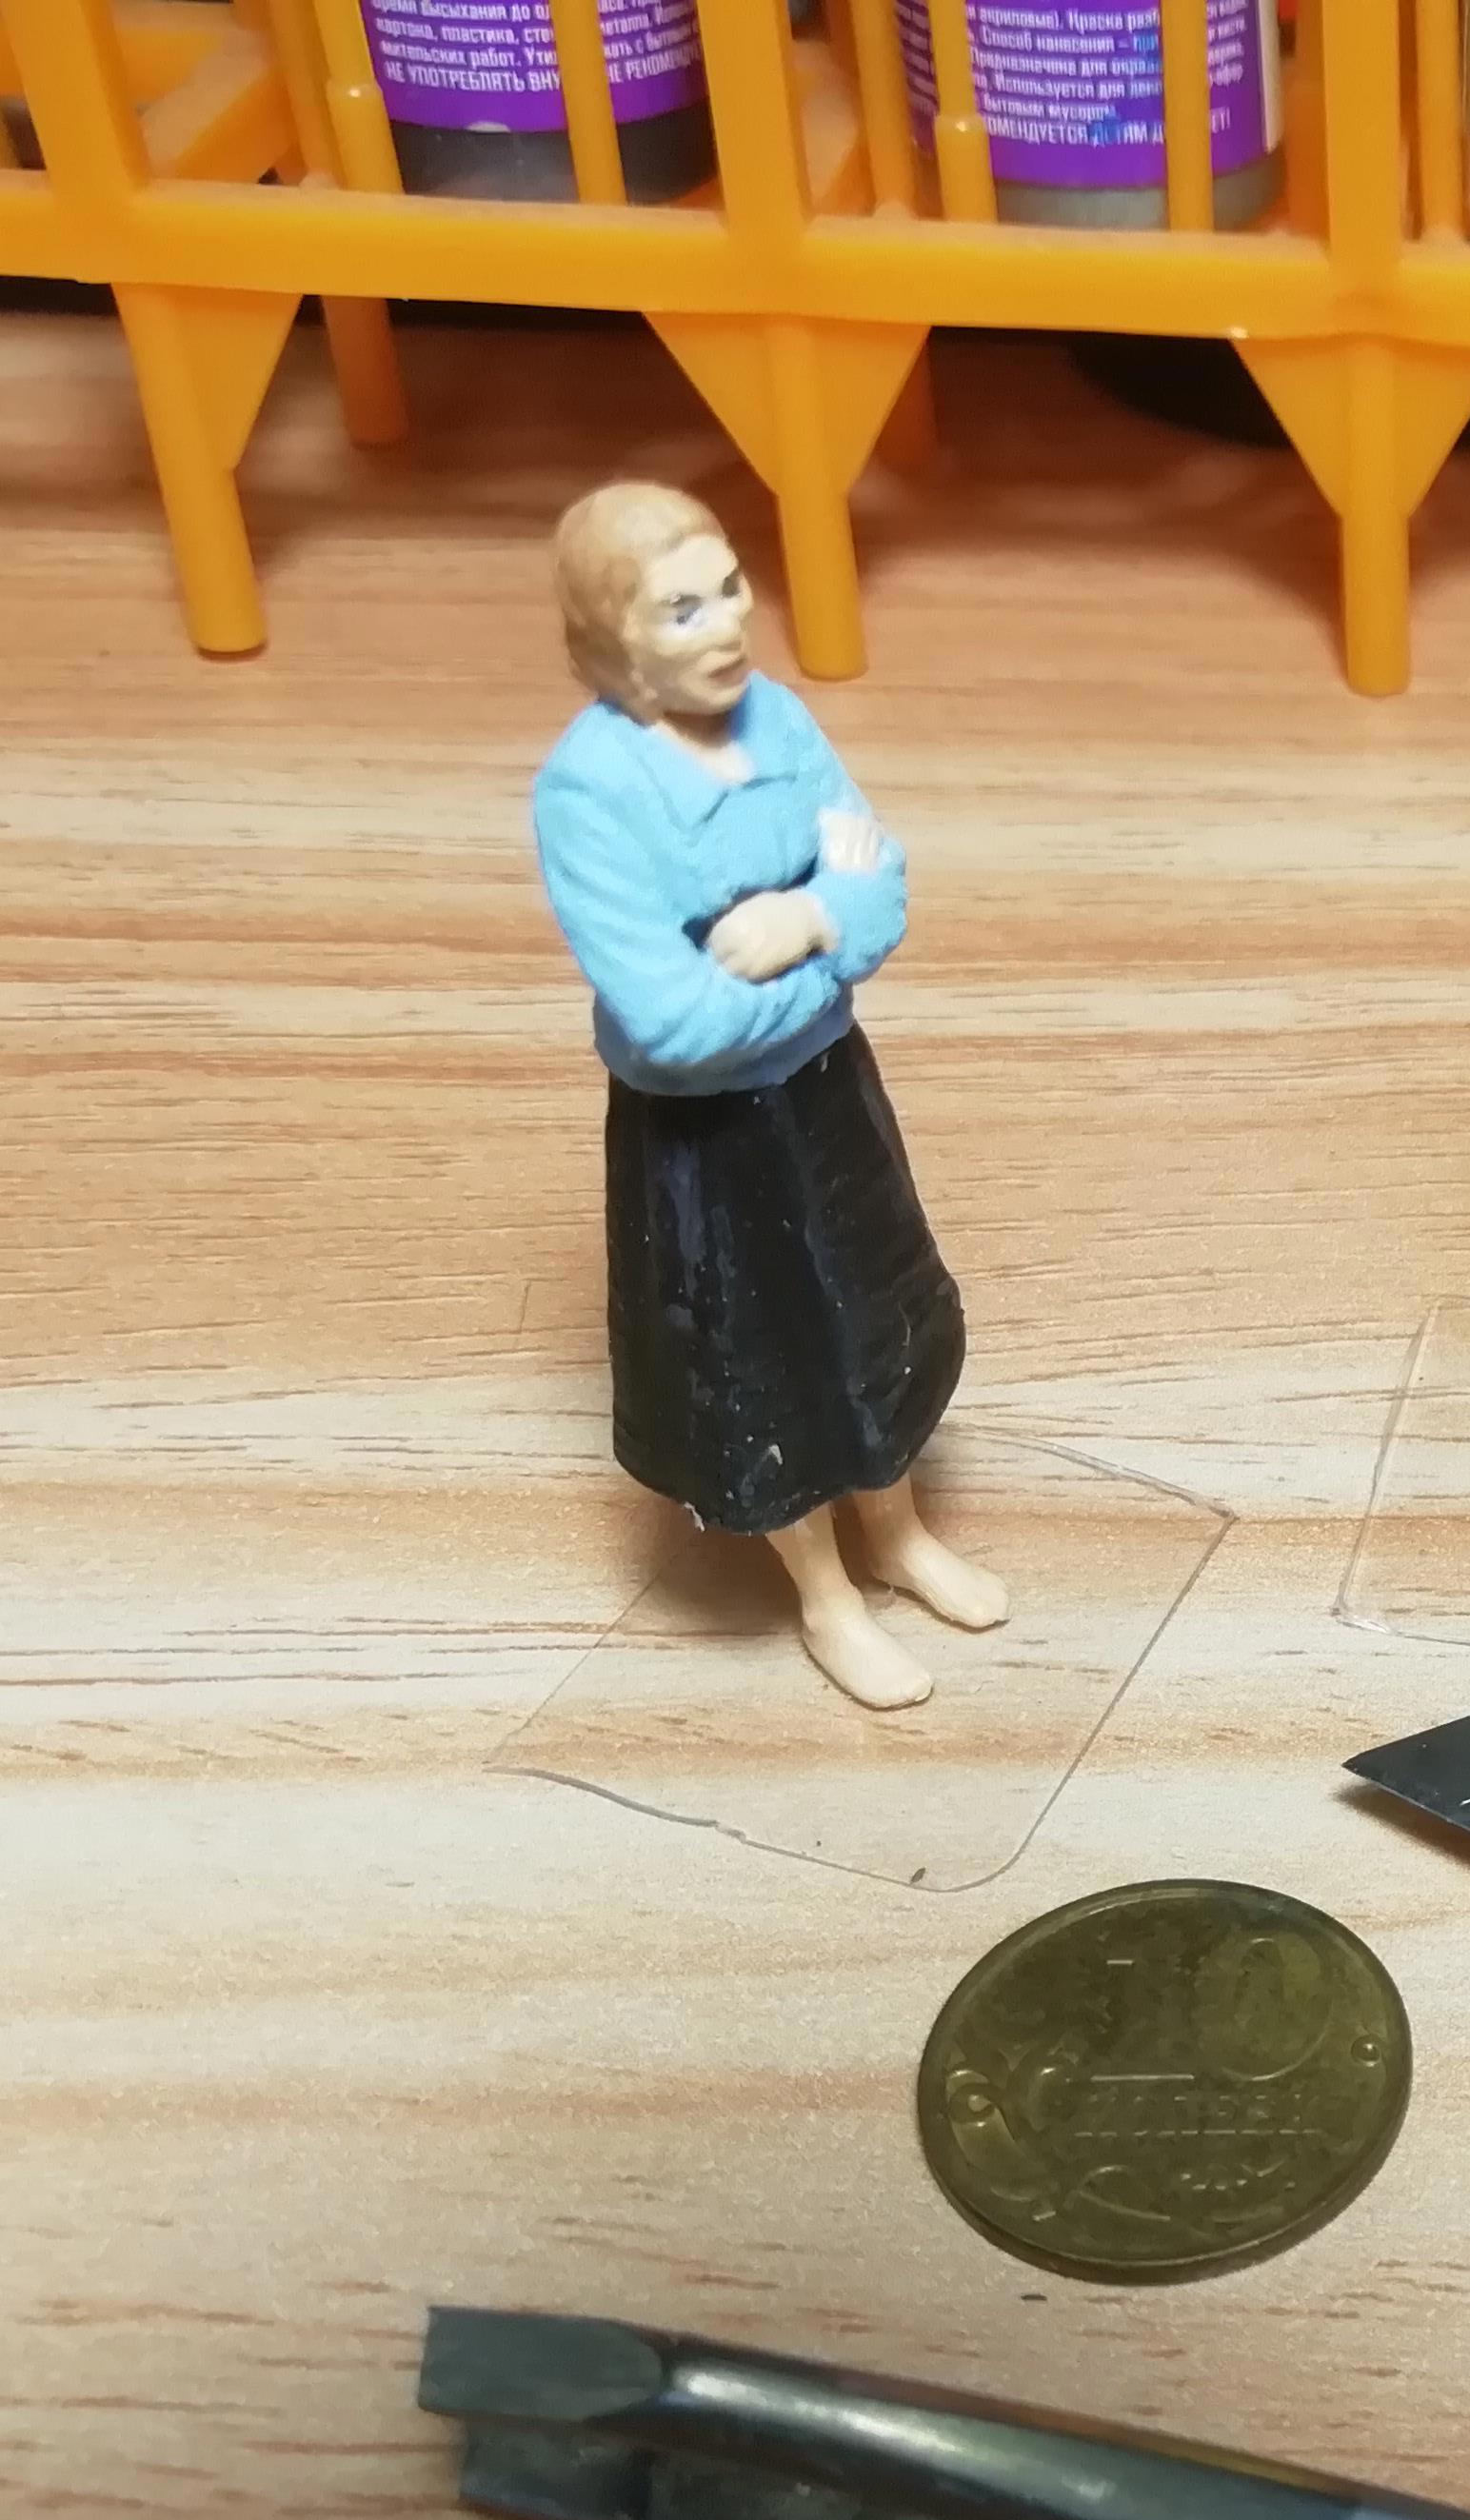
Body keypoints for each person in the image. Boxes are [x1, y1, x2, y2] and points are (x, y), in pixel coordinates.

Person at [533, 481, 1000, 1713]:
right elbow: (672, 1023)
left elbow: (878, 881)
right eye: (683, 608)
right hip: (705, 1143)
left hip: (828, 1093)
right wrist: (831, 957)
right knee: (765, 1359)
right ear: (613, 638)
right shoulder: (590, 792)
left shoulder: (780, 721)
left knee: (871, 1314)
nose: (730, 621)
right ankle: (826, 1598)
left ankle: (896, 1538)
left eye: (731, 587)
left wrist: (806, 923)